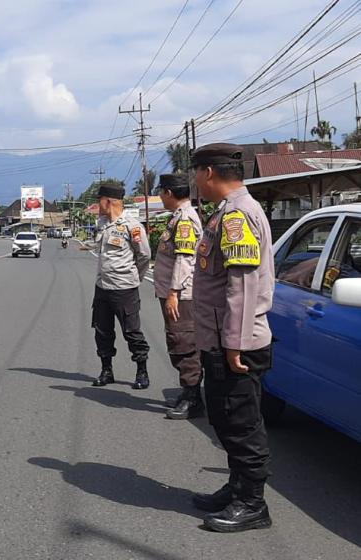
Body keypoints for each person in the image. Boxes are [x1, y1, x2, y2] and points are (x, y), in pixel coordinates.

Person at [190, 143, 275, 533]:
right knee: (225, 418)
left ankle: (252, 504)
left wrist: (234, 343)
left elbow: (241, 285)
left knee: (242, 424)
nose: (195, 181)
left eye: (195, 173)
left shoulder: (238, 216)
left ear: (208, 172)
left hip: (234, 344)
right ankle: (238, 487)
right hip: (223, 339)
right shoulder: (228, 213)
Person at [91, 182, 152, 389]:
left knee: (131, 331)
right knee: (102, 330)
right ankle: (106, 370)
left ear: (108, 202)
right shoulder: (102, 224)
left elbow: (144, 256)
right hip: (102, 287)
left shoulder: (132, 226)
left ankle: (141, 371)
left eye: (99, 200)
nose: (97, 205)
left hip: (124, 288)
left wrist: (134, 277)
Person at [153, 174, 204, 420]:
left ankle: (193, 398)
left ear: (169, 193)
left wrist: (174, 292)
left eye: (161, 192)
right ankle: (187, 391)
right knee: (177, 340)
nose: (161, 197)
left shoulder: (184, 219)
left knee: (183, 342)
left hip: (181, 296)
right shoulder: (177, 217)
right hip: (174, 293)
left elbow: (185, 259)